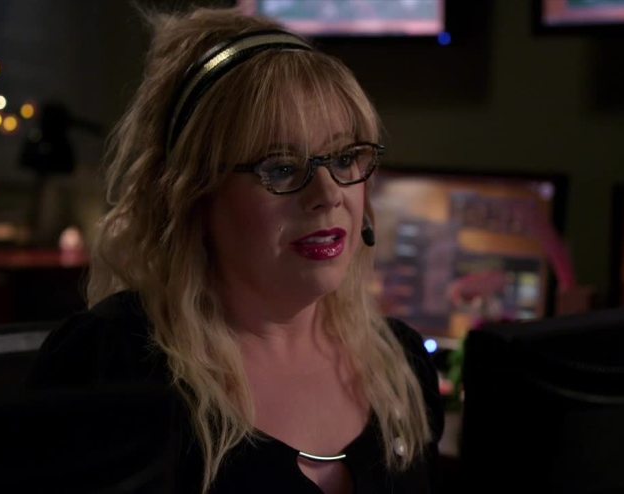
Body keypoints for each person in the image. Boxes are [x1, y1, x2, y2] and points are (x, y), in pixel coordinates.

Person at [29, 6, 443, 494]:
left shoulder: (401, 366)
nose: (329, 194)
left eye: (346, 158)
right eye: (281, 167)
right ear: (194, 196)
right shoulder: (110, 366)